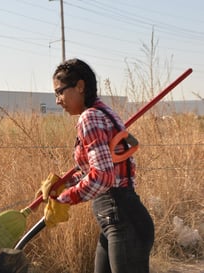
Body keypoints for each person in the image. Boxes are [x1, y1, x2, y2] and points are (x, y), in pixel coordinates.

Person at [37, 58, 154, 273]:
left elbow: (103, 177)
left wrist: (64, 199)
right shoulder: (104, 113)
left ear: (80, 87)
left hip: (121, 219)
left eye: (60, 92)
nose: (57, 100)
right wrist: (64, 184)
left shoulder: (89, 117)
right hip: (119, 220)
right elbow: (100, 168)